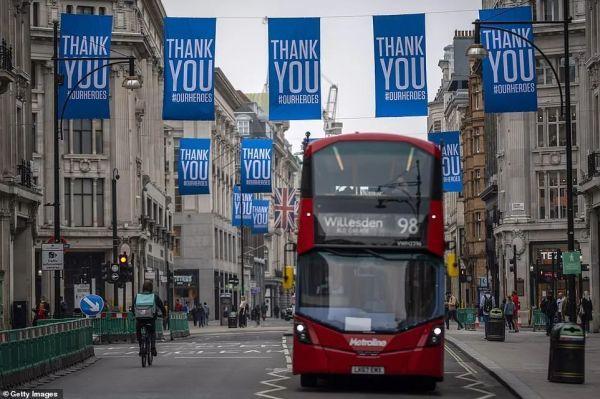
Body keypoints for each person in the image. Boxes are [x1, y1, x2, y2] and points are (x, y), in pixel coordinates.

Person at [132, 280, 166, 357]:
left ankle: (141, 347)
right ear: (151, 288)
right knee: (152, 331)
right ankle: (153, 347)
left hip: (139, 319)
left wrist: (136, 315)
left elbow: (133, 308)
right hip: (150, 319)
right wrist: (164, 315)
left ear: (143, 288)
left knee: (138, 331)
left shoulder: (138, 296)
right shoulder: (154, 296)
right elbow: (162, 307)